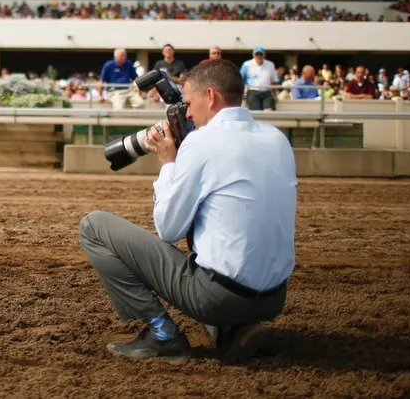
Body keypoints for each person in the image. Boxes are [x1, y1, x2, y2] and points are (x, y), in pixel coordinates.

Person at [79, 59, 296, 363]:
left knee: (94, 226)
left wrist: (170, 163)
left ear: (210, 96)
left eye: (190, 103)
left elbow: (168, 230)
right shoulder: (277, 139)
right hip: (274, 298)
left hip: (219, 298)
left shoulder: (201, 141)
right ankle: (237, 329)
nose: (189, 113)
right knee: (216, 254)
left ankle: (162, 334)